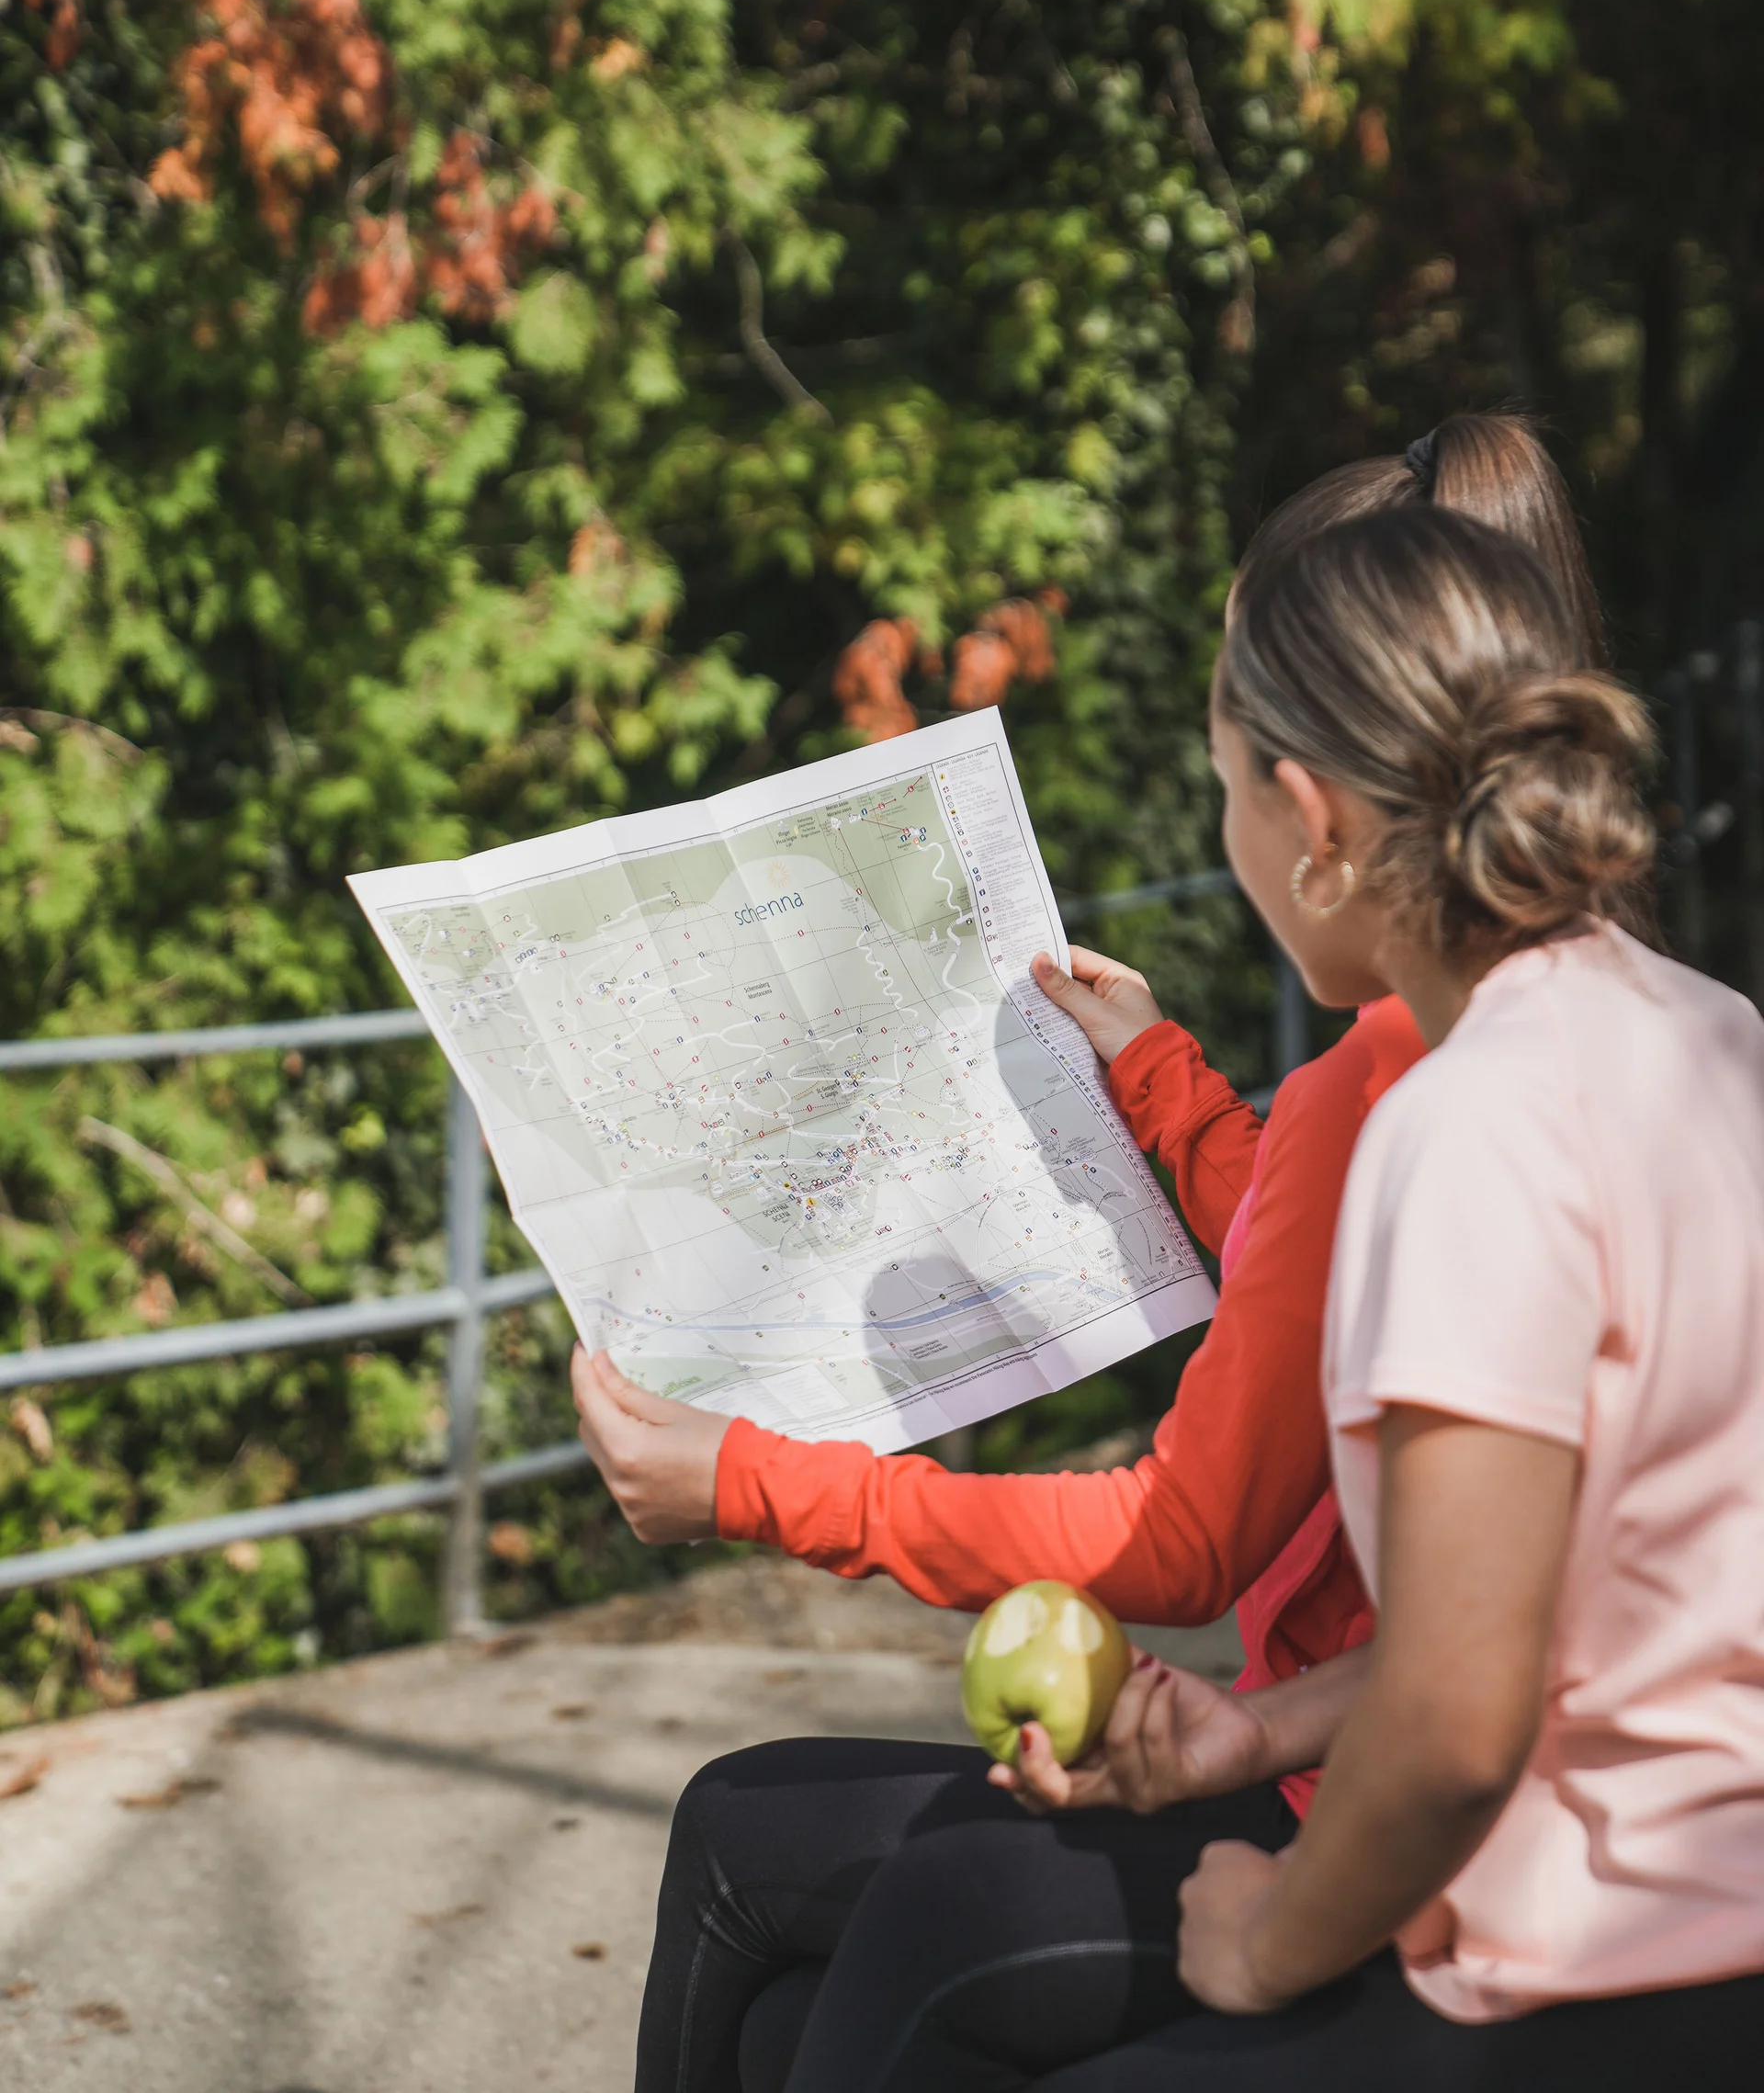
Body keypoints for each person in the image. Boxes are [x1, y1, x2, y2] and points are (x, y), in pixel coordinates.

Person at [623, 504, 1764, 2088]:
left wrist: (1269, 1931)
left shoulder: (1464, 1122)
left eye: (1225, 784)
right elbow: (1562, 1617)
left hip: (1590, 1972)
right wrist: (1261, 1732)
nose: (1225, 833)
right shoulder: (1702, 1033)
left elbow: (1450, 1724)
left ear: (1309, 814)